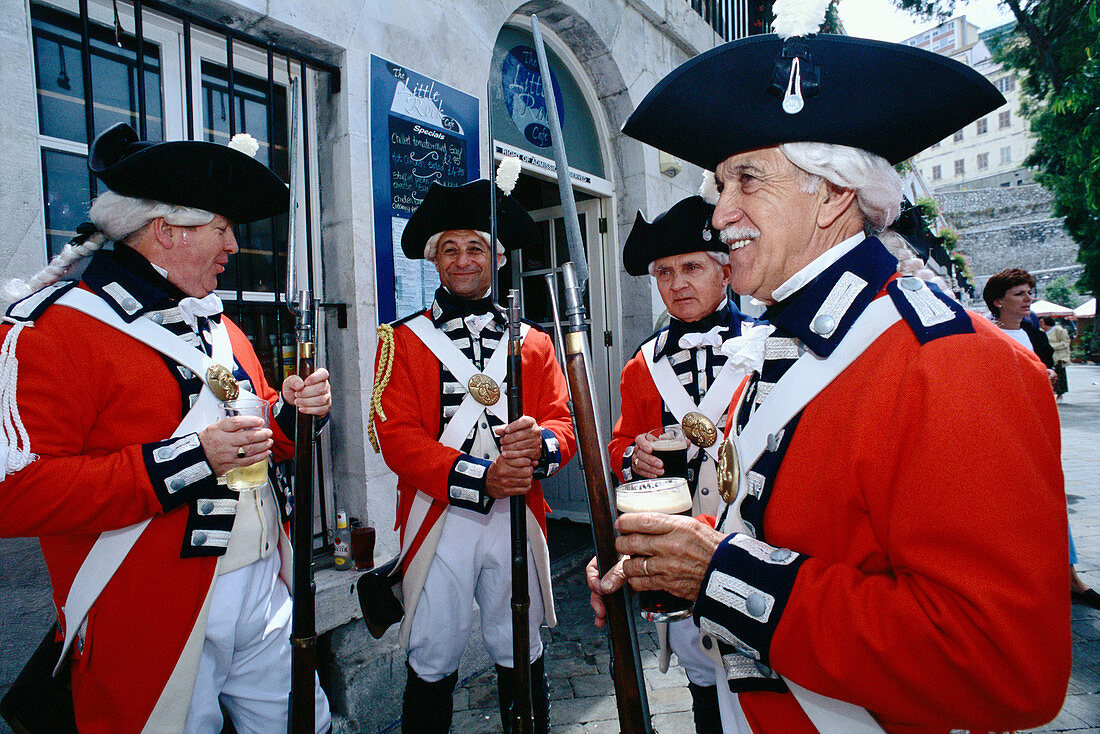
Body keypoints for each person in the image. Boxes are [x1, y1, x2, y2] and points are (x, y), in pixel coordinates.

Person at [590, 11, 1071, 733]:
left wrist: (721, 578)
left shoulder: (957, 362)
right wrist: (669, 561)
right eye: (721, 185)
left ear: (835, 192)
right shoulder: (777, 348)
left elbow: (1005, 665)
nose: (720, 215)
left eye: (745, 180)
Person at [0, 123, 332, 733]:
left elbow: (255, 442)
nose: (234, 245)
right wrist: (190, 459)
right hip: (149, 606)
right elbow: (13, 494)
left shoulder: (220, 328)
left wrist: (290, 412)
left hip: (263, 584)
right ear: (167, 229)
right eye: (221, 228)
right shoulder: (50, 332)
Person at [369, 179, 576, 733]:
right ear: (434, 259)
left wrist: (539, 449)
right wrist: (482, 478)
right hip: (441, 518)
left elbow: (562, 421)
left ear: (498, 258)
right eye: (450, 249)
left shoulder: (532, 341)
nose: (463, 261)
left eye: (476, 248)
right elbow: (397, 438)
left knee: (520, 644)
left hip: (516, 515)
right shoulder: (402, 340)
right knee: (433, 653)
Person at [607, 195, 754, 733]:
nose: (677, 283)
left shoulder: (768, 348)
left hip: (750, 537)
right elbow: (620, 445)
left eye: (692, 267)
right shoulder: (641, 366)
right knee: (703, 682)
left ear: (725, 270)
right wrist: (633, 456)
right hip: (682, 545)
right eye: (664, 272)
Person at [1042, 316, 1072, 399]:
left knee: (1059, 374)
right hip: (1047, 356)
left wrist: (1051, 346)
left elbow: (1065, 342)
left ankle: (1060, 393)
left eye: (1042, 322)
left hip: (1058, 356)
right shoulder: (1041, 332)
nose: (1040, 325)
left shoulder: (1059, 330)